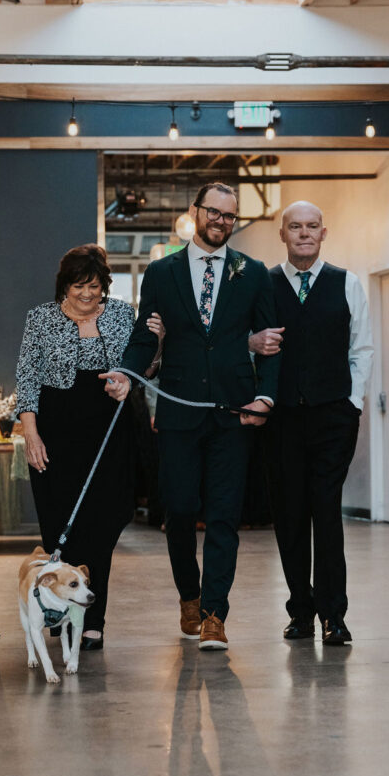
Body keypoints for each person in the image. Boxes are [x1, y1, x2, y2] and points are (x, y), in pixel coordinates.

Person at [102, 183, 281, 652]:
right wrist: (126, 373)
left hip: (234, 414)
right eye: (214, 212)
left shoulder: (254, 273)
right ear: (195, 212)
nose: (222, 221)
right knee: (178, 509)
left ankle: (215, 615)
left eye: (230, 216)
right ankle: (189, 593)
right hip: (179, 412)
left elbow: (271, 341)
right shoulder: (161, 272)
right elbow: (146, 335)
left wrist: (266, 397)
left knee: (224, 515)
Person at [16, 244, 163, 650]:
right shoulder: (41, 318)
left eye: (95, 287)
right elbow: (27, 378)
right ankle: (62, 613)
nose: (87, 295)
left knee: (103, 524)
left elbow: (142, 367)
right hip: (56, 433)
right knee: (61, 525)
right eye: (79, 286)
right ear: (65, 285)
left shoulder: (119, 313)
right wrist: (31, 433)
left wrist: (152, 352)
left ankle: (92, 619)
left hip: (109, 430)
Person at [249, 201, 373, 645]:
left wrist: (352, 403)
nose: (304, 233)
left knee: (327, 512)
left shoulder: (348, 283)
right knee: (289, 516)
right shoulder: (262, 284)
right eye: (295, 227)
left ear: (324, 233)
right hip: (280, 418)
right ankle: (300, 610)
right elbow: (247, 345)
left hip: (332, 416)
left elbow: (361, 349)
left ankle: (333, 616)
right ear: (281, 234)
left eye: (312, 227)